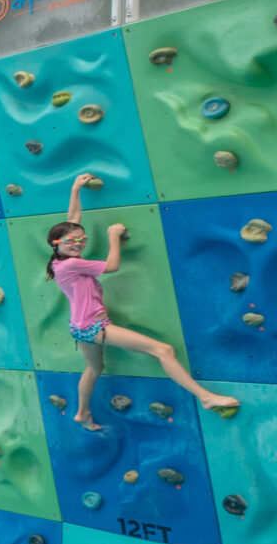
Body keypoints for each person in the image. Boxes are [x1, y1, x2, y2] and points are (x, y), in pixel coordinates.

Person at [48, 173, 238, 430]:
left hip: (79, 326)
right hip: (94, 326)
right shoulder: (73, 264)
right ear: (56, 243)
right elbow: (113, 266)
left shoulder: (59, 260)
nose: (79, 243)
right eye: (72, 241)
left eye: (82, 239)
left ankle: (82, 413)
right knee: (162, 350)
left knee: (94, 367)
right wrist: (113, 236)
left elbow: (71, 221)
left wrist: (75, 188)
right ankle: (205, 397)